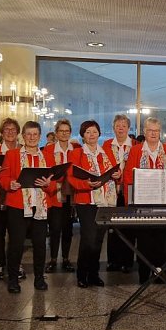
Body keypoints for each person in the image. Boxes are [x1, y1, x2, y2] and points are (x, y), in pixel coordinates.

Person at [0, 121, 56, 293]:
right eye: (28, 134)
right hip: (18, 204)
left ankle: (39, 278)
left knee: (39, 243)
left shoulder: (48, 157)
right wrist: (11, 184)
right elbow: (3, 177)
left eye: (35, 134)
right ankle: (13, 279)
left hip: (40, 205)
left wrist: (47, 184)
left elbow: (54, 186)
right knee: (16, 243)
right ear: (22, 136)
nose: (32, 137)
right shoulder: (12, 154)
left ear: (39, 136)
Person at [123, 117, 166, 284]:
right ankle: (143, 272)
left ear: (160, 132)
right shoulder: (135, 151)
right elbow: (128, 178)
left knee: (162, 239)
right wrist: (129, 202)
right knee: (144, 239)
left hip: (164, 203)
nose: (153, 133)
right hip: (142, 203)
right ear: (144, 132)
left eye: (156, 131)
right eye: (150, 130)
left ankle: (159, 272)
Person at [69, 120, 121, 288]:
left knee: (99, 239)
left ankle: (94, 274)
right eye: (88, 132)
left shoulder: (107, 152)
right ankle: (82, 274)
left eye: (94, 132)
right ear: (83, 135)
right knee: (88, 239)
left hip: (105, 201)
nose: (91, 135)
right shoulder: (76, 153)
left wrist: (117, 174)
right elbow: (70, 178)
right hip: (86, 201)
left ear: (99, 133)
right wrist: (86, 185)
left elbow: (115, 171)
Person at [0, 118, 24, 281]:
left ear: (18, 133)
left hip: (17, 198)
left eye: (13, 130)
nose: (10, 132)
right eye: (6, 130)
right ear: (1, 133)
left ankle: (16, 263)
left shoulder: (24, 151)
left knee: (17, 234)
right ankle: (0, 263)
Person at [43, 119, 79, 273]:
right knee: (55, 228)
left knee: (68, 229)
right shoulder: (48, 150)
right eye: (61, 131)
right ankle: (52, 259)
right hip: (55, 194)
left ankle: (65, 258)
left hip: (71, 194)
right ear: (56, 133)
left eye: (67, 131)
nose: (64, 134)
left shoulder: (76, 149)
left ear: (70, 133)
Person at [102, 114, 137, 273]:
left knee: (128, 227)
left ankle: (127, 262)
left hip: (129, 190)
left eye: (124, 125)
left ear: (128, 128)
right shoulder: (107, 145)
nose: (121, 128)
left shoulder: (136, 145)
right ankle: (113, 261)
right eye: (118, 125)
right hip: (111, 190)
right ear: (114, 128)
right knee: (112, 227)